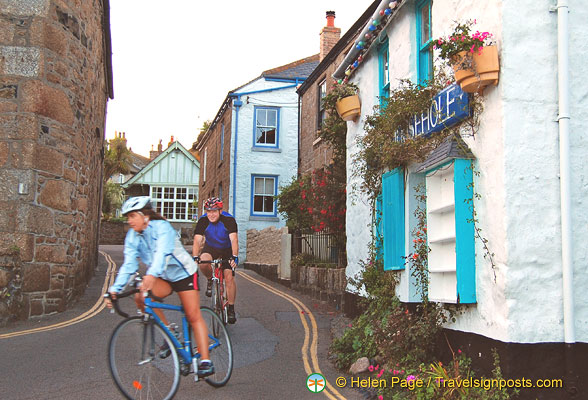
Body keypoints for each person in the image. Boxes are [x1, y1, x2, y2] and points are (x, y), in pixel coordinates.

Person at [104, 196, 214, 377]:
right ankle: (170, 334)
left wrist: (151, 275)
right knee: (141, 298)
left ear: (145, 216)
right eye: (128, 217)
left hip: (183, 273)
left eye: (132, 216)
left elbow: (162, 254)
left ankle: (205, 361)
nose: (129, 221)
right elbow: (129, 265)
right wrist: (115, 289)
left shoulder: (163, 228)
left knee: (193, 315)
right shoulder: (133, 236)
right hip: (162, 276)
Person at [193, 197, 239, 324]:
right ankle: (209, 279)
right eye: (208, 211)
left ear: (220, 210)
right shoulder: (203, 220)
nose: (211, 215)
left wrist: (234, 256)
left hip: (227, 249)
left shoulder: (229, 220)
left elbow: (234, 240)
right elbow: (197, 240)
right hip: (211, 247)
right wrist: (195, 256)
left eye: (214, 211)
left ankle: (231, 308)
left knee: (228, 277)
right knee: (203, 263)